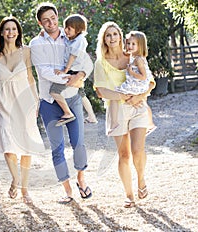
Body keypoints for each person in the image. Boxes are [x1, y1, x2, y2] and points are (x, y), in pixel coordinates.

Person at [30, 2, 93, 204]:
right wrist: (70, 78)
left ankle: (81, 179)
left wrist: (81, 74)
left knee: (79, 143)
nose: (51, 23)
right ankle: (67, 191)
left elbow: (87, 61)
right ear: (40, 22)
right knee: (57, 149)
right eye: (46, 20)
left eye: (53, 18)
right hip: (49, 100)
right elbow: (44, 72)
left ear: (58, 16)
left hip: (72, 97)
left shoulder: (73, 36)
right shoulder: (36, 44)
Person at [93, 22, 156, 208]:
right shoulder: (101, 62)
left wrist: (140, 96)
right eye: (108, 35)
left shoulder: (133, 56)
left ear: (121, 36)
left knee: (138, 150)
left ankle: (141, 179)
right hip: (116, 109)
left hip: (138, 107)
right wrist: (121, 96)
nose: (112, 38)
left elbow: (150, 81)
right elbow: (100, 91)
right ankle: (129, 195)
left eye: (115, 34)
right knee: (124, 154)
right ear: (103, 39)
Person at [0, 16, 45, 204]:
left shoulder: (25, 51)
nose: (11, 32)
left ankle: (25, 189)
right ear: (1, 32)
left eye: (14, 29)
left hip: (25, 101)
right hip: (5, 102)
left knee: (26, 146)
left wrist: (36, 100)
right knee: (8, 142)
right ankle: (15, 180)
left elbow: (30, 76)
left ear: (18, 32)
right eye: (7, 29)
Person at [50, 14, 97, 126]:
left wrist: (65, 71)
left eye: (69, 28)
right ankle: (92, 117)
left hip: (73, 71)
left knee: (54, 91)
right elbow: (62, 35)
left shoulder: (79, 41)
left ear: (78, 30)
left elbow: (73, 56)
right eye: (65, 27)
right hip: (75, 70)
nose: (66, 30)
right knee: (82, 94)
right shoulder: (73, 38)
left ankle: (67, 113)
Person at [113, 30, 156, 135]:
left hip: (139, 84)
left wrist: (131, 72)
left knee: (117, 92)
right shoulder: (134, 57)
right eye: (128, 43)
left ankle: (148, 124)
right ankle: (149, 124)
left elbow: (144, 76)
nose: (130, 46)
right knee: (143, 103)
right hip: (138, 83)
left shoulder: (138, 59)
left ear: (140, 46)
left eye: (133, 44)